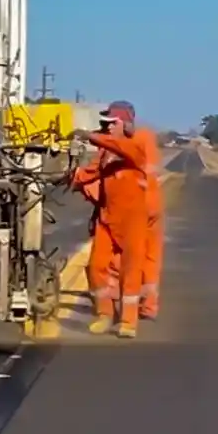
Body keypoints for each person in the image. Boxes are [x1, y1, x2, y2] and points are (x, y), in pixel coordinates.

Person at [70, 101, 152, 338]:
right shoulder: (106, 151)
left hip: (132, 220)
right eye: (104, 124)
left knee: (130, 269)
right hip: (106, 218)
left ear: (124, 124)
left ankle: (128, 321)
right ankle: (105, 314)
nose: (107, 127)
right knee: (96, 266)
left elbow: (117, 145)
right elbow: (91, 172)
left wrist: (90, 136)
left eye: (111, 123)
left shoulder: (134, 147)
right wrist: (68, 178)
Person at [134, 123, 165, 319]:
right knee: (151, 257)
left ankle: (124, 306)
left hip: (135, 209)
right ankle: (149, 304)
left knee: (128, 256)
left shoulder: (124, 146)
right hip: (153, 206)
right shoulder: (148, 142)